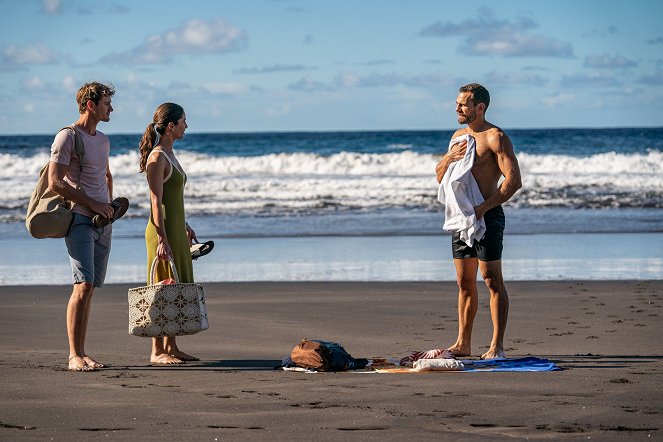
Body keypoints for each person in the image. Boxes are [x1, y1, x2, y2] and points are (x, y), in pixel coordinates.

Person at [435, 83, 522, 359]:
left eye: (463, 104)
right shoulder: (458, 137)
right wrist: (448, 157)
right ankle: (463, 343)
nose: (457, 108)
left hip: (488, 214)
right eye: (458, 103)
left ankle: (497, 346)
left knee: (492, 280)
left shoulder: (496, 137)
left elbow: (514, 181)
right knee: (464, 283)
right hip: (462, 219)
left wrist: (484, 208)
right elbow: (441, 177)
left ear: (479, 107)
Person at [48, 82, 117, 371]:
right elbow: (55, 182)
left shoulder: (102, 139)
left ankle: (83, 352)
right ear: (90, 104)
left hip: (104, 221)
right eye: (106, 103)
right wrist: (91, 203)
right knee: (83, 284)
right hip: (80, 219)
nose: (110, 108)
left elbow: (106, 175)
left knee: (90, 289)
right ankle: (73, 355)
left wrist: (110, 205)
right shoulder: (67, 137)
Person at [138, 102, 199, 364]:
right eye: (184, 121)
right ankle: (156, 351)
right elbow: (155, 203)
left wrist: (184, 226)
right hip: (160, 232)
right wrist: (163, 238)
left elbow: (172, 200)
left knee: (175, 286)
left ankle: (171, 347)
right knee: (161, 287)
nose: (187, 125)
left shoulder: (171, 155)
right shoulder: (157, 157)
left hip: (174, 229)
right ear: (171, 126)